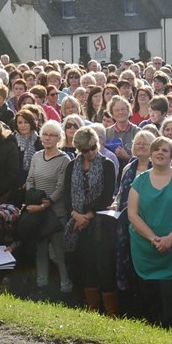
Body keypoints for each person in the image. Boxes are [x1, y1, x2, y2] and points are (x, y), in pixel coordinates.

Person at [126, 135, 172, 327]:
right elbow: (132, 214)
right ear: (150, 154)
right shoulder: (139, 181)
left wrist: (170, 240)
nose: (160, 152)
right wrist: (152, 238)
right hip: (145, 249)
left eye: (165, 150)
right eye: (156, 149)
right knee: (149, 296)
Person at [64, 126, 119, 316]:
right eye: (86, 150)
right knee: (86, 265)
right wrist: (76, 215)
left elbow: (107, 195)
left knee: (104, 266)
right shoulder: (72, 166)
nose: (91, 152)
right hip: (77, 223)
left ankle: (110, 311)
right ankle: (92, 308)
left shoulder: (107, 164)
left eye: (94, 147)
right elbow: (66, 196)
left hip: (101, 223)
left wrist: (87, 215)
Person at [22, 119, 72, 294]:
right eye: (45, 134)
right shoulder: (36, 156)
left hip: (56, 214)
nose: (48, 138)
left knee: (59, 253)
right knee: (40, 251)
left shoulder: (64, 160)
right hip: (37, 213)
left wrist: (46, 204)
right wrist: (32, 198)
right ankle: (41, 285)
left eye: (52, 135)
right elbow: (30, 179)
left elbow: (61, 187)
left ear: (59, 138)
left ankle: (65, 286)